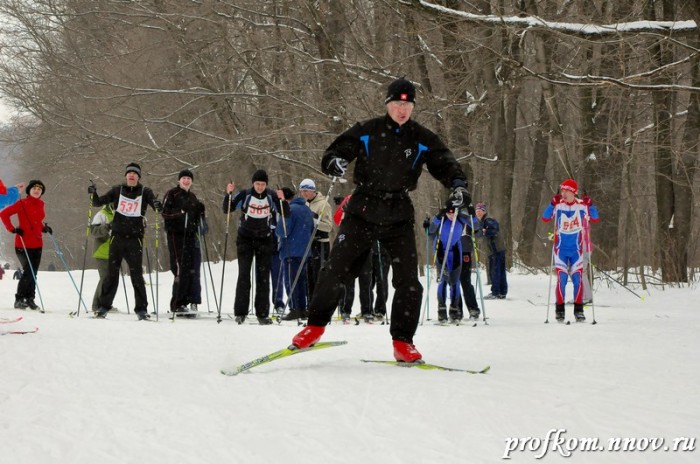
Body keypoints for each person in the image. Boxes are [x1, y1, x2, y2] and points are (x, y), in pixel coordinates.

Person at [290, 77, 469, 362]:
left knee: (409, 280)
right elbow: (336, 151)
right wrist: (334, 161)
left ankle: (403, 342)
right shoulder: (368, 131)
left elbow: (445, 164)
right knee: (336, 270)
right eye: (397, 103)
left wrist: (458, 186)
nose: (402, 109)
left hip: (398, 212)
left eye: (408, 104)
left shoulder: (421, 138)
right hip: (362, 209)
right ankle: (314, 326)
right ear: (388, 104)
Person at [88, 162, 162, 320]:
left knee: (136, 275)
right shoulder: (117, 190)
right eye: (129, 173)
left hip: (135, 239)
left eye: (135, 173)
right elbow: (97, 202)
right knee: (111, 275)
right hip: (117, 238)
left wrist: (157, 204)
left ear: (138, 177)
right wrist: (93, 193)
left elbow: (157, 208)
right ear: (126, 176)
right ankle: (103, 307)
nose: (132, 175)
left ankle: (141, 309)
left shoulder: (145, 191)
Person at [223, 170, 289, 325]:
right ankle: (240, 312)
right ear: (253, 183)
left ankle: (262, 314)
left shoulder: (272, 196)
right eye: (257, 184)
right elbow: (227, 209)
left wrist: (283, 200)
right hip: (245, 239)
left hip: (264, 240)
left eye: (263, 184)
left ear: (266, 184)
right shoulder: (245, 195)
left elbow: (286, 212)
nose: (260, 187)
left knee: (263, 277)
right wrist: (229, 194)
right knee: (244, 275)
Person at [542, 179, 600, 322]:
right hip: (561, 249)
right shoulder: (558, 204)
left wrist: (590, 205)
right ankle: (559, 310)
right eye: (562, 190)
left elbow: (595, 218)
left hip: (576, 250)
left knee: (577, 281)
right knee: (561, 280)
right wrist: (551, 204)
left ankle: (578, 311)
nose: (563, 193)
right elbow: (545, 218)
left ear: (573, 192)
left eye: (566, 191)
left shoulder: (581, 205)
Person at [0, 180, 51, 309]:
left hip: (37, 243)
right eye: (34, 188)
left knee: (34, 273)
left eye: (39, 189)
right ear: (28, 190)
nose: (37, 190)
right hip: (22, 243)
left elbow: (37, 221)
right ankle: (19, 298)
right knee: (29, 272)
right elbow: (4, 214)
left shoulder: (41, 204)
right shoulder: (21, 203)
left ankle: (30, 299)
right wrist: (12, 229)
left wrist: (44, 228)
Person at [161, 169, 205, 315]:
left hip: (191, 235)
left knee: (191, 268)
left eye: (189, 178)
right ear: (179, 180)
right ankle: (177, 303)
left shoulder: (193, 196)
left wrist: (200, 212)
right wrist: (180, 212)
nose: (186, 181)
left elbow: (196, 218)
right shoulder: (172, 193)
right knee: (180, 268)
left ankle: (188, 301)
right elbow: (165, 212)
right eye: (184, 178)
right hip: (176, 234)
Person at [278, 187, 314, 321]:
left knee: (291, 281)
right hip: (304, 251)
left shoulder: (289, 210)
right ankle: (303, 308)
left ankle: (294, 308)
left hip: (291, 250)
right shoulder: (306, 209)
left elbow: (283, 231)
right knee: (301, 280)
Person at [428, 208, 467, 323]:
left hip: (455, 251)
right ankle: (441, 310)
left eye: (453, 213)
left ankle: (454, 310)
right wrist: (436, 218)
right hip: (441, 251)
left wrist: (471, 212)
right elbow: (430, 232)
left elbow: (476, 227)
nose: (451, 215)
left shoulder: (460, 220)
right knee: (443, 280)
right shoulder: (442, 219)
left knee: (455, 281)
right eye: (448, 213)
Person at [298, 178, 333, 300]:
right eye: (302, 191)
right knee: (309, 275)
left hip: (321, 244)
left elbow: (329, 227)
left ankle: (320, 303)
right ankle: (311, 303)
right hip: (309, 244)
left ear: (313, 190)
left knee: (320, 275)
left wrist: (314, 220)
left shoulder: (324, 204)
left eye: (306, 191)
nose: (303, 194)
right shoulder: (305, 204)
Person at [474, 203, 507, 299]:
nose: (478, 213)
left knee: (495, 270)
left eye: (480, 211)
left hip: (495, 249)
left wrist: (486, 231)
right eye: (477, 212)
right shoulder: (482, 221)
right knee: (499, 270)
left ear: (484, 211)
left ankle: (496, 292)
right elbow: (479, 235)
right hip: (495, 249)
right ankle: (502, 292)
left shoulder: (488, 219)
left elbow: (495, 230)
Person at [90, 204, 119, 313]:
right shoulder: (102, 214)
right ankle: (97, 305)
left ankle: (107, 304)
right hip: (102, 251)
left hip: (116, 252)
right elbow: (93, 231)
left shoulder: (123, 213)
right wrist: (107, 227)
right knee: (105, 278)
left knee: (113, 280)